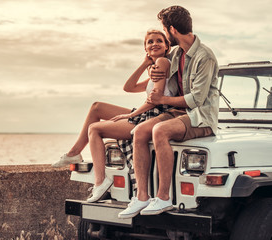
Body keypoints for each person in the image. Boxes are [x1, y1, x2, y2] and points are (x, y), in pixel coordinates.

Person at [118, 5, 219, 219]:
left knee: (160, 131)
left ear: (171, 30)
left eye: (164, 31)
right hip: (177, 112)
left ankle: (163, 197)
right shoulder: (175, 53)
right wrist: (151, 65)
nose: (163, 35)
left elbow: (196, 100)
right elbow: (158, 68)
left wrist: (161, 99)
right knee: (139, 132)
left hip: (200, 117)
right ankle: (142, 196)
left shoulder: (204, 57)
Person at [52, 29, 171, 168]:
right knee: (97, 107)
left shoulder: (162, 62)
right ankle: (74, 153)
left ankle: (80, 159)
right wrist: (144, 64)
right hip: (147, 113)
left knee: (95, 127)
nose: (154, 44)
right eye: (150, 42)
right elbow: (129, 87)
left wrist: (131, 114)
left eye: (159, 41)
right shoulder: (154, 69)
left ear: (166, 46)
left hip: (154, 115)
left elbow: (154, 100)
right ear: (145, 48)